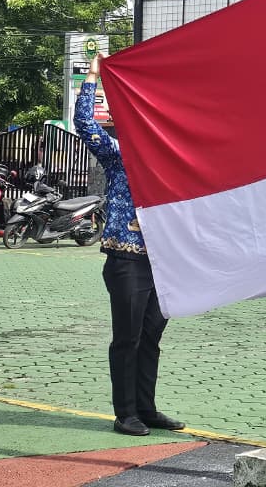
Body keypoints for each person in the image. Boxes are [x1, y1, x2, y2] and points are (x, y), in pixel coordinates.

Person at [76, 54, 184, 437]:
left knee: (151, 337)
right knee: (129, 337)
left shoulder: (171, 161)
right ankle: (125, 414)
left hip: (163, 262)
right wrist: (93, 76)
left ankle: (146, 408)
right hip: (126, 259)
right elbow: (85, 124)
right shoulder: (119, 155)